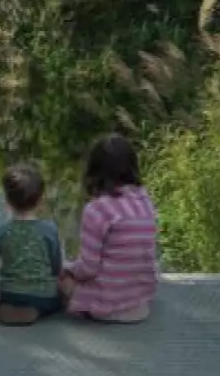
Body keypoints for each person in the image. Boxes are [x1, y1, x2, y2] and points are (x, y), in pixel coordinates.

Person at [62, 133, 160, 323]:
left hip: (107, 305)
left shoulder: (98, 209)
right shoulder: (145, 200)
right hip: (139, 304)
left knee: (61, 278)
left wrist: (68, 268)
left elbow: (88, 269)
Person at [0, 163, 65, 327]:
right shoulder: (49, 230)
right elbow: (56, 267)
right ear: (40, 200)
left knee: (6, 291)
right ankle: (34, 311)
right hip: (43, 296)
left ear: (7, 200)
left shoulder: (3, 231)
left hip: (11, 293)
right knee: (60, 300)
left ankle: (1, 306)